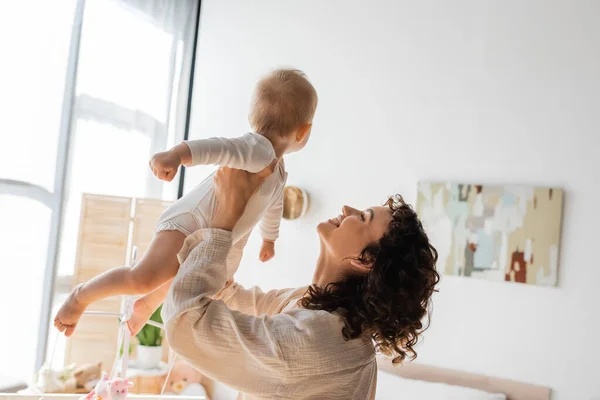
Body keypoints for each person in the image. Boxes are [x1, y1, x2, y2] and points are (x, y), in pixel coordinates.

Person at [54, 68, 318, 336]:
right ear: (303, 131)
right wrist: (176, 155)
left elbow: (273, 208)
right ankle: (80, 296)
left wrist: (269, 238)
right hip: (191, 222)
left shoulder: (278, 169)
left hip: (220, 235)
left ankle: (146, 305)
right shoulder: (258, 149)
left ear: (253, 116)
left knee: (198, 280)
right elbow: (219, 148)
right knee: (143, 277)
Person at [162, 164, 440, 400]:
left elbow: (183, 322)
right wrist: (246, 208)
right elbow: (226, 293)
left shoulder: (322, 339)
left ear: (365, 260)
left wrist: (225, 219)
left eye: (363, 217)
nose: (347, 209)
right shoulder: (314, 305)